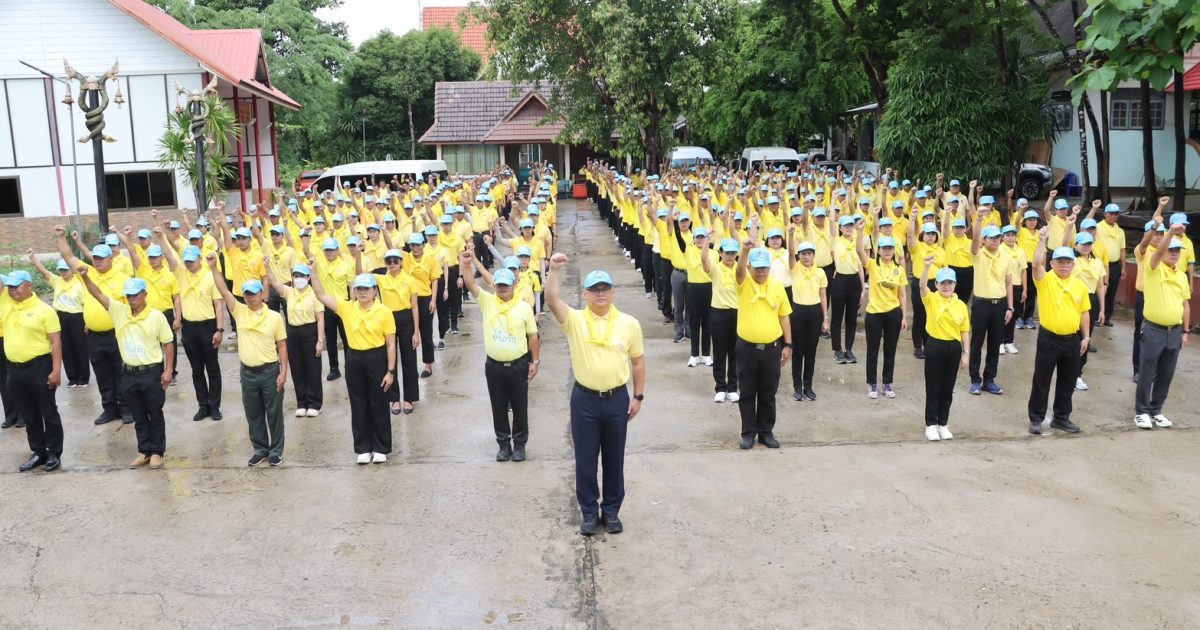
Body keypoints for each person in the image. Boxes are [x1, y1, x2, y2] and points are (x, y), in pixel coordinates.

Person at [545, 254, 645, 536]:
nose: (600, 294)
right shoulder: (575, 320)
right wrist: (553, 270)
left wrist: (638, 397)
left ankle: (611, 511)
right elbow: (552, 300)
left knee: (614, 458)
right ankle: (589, 511)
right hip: (585, 401)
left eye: (605, 289)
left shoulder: (629, 323)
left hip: (616, 399)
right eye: (594, 290)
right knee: (586, 460)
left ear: (613, 292)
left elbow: (638, 362)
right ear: (585, 294)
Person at [79, 274, 174, 468]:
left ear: (144, 294)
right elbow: (97, 294)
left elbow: (168, 343)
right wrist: (85, 277)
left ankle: (157, 452)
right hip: (129, 373)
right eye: (128, 295)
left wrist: (168, 370)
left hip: (151, 372)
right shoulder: (119, 311)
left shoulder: (156, 316)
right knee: (138, 415)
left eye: (135, 295)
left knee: (154, 413)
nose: (131, 299)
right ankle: (144, 451)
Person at [208, 255, 289, 466]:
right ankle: (260, 449)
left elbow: (282, 346)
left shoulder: (274, 317)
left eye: (254, 293)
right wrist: (214, 268)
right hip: (248, 373)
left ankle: (276, 451)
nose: (251, 297)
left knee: (274, 413)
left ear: (262, 294)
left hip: (269, 371)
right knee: (253, 413)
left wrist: (283, 372)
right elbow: (224, 290)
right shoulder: (240, 312)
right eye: (247, 294)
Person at [461, 250, 540, 462]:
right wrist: (466, 265)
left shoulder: (523, 307)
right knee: (498, 406)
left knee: (520, 407)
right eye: (499, 285)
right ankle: (504, 444)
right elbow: (470, 284)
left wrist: (535, 361)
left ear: (514, 285)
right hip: (494, 366)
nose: (503, 288)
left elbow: (533, 336)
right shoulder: (488, 301)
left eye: (506, 285)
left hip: (518, 365)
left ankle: (520, 445)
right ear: (494, 286)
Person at [311, 269, 397, 464]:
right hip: (354, 359)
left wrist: (391, 371)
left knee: (378, 403)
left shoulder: (384, 311)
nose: (362, 292)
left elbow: (391, 344)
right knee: (358, 404)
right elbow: (321, 295)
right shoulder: (347, 307)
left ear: (374, 290)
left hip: (377, 358)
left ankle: (381, 447)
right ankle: (363, 448)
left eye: (366, 289)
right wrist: (314, 273)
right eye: (359, 289)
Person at [55, 226, 132, 424]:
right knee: (102, 373)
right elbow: (68, 256)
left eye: (101, 258)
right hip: (94, 336)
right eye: (95, 258)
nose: (97, 261)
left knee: (120, 372)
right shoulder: (86, 273)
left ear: (111, 258)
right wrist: (61, 237)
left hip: (117, 334)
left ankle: (125, 408)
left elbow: (131, 308)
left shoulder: (123, 279)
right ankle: (109, 408)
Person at [155, 232, 225, 422]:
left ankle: (215, 406)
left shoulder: (210, 277)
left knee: (212, 368)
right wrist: (161, 237)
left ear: (199, 259)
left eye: (192, 261)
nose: (189, 264)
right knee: (196, 369)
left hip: (208, 327)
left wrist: (219, 330)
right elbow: (169, 255)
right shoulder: (181, 273)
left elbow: (219, 305)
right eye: (186, 261)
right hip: (189, 328)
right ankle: (203, 405)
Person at [1027, 231, 1091, 435]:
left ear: (1073, 264)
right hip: (1049, 339)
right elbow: (1036, 265)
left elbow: (1084, 312)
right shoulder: (1045, 280)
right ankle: (1036, 418)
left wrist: (1086, 336)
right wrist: (1041, 240)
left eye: (1068, 262)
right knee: (1042, 380)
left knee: (1068, 381)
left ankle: (1061, 418)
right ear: (1052, 263)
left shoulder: (1079, 285)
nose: (1064, 265)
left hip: (1072, 340)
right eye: (1060, 262)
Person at [3, 270, 64, 472]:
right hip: (14, 368)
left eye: (16, 286)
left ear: (29, 285)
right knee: (28, 414)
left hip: (39, 366)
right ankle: (38, 451)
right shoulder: (7, 305)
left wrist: (56, 370)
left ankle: (53, 452)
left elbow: (56, 343)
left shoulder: (44, 310)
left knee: (48, 411)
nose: (12, 290)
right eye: (10, 286)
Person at [734, 244, 793, 449]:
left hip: (771, 349)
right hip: (747, 349)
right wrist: (744, 251)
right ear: (750, 267)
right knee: (747, 392)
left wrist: (788, 344)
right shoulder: (744, 283)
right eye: (757, 267)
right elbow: (739, 272)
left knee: (768, 392)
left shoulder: (777, 287)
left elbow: (784, 317)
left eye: (764, 267)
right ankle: (748, 433)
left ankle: (766, 432)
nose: (761, 271)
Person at [1134, 224, 1190, 430]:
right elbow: (1157, 252)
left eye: (1177, 251)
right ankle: (1141, 411)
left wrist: (1185, 331)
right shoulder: (1154, 268)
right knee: (1147, 372)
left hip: (1174, 331)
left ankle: (1156, 409)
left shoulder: (1181, 275)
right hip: (1153, 329)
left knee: (1166, 373)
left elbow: (1185, 305)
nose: (1174, 254)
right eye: (1171, 250)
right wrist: (1171, 233)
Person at [265, 261, 324, 417]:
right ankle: (302, 403)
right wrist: (267, 266)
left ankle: (315, 403)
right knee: (297, 369)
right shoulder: (289, 292)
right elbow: (274, 282)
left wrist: (320, 341)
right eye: (296, 276)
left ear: (308, 278)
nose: (299, 279)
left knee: (312, 368)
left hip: (310, 331)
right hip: (293, 332)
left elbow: (320, 319)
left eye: (302, 276)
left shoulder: (315, 294)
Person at [919, 265, 970, 441]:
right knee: (933, 387)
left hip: (953, 348)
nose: (946, 286)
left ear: (955, 284)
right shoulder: (932, 299)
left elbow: (964, 331)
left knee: (948, 388)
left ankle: (943, 423)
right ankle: (931, 424)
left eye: (950, 283)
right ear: (937, 284)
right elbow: (922, 285)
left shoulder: (961, 305)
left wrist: (966, 353)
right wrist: (926, 267)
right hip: (935, 345)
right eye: (942, 283)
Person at [369, 248, 420, 415]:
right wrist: (358, 254)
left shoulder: (410, 280)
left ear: (401, 262)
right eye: (389, 261)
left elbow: (415, 307)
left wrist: (416, 332)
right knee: (389, 360)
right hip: (388, 318)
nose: (392, 264)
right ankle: (394, 398)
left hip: (406, 318)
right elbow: (360, 273)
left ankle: (409, 398)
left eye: (395, 261)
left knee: (409, 359)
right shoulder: (381, 279)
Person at [28, 253, 89, 387]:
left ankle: (83, 378)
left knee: (80, 347)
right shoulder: (57, 281)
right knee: (65, 348)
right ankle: (72, 378)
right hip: (60, 317)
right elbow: (44, 271)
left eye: (65, 269)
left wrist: (87, 322)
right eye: (61, 270)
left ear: (71, 270)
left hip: (77, 317)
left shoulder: (79, 283)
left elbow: (86, 304)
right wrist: (33, 258)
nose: (63, 272)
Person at [967, 224, 1014, 396]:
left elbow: (1008, 282)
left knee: (995, 344)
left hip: (999, 305)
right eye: (991, 237)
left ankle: (989, 380)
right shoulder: (978, 254)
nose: (995, 240)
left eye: (997, 237)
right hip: (981, 305)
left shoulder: (1006, 256)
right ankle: (975, 380)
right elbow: (974, 242)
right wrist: (979, 219)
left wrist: (1010, 307)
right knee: (977, 343)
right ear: (984, 240)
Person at [861, 235, 908, 399]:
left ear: (894, 251)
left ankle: (887, 383)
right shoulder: (872, 265)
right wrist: (860, 232)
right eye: (884, 248)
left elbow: (903, 294)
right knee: (872, 350)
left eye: (890, 248)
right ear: (878, 251)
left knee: (890, 350)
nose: (887, 251)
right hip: (874, 313)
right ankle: (872, 383)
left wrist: (904, 316)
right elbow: (859, 251)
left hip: (893, 313)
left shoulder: (899, 269)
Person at [786, 236, 828, 401]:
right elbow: (790, 254)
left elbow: (823, 296)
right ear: (799, 255)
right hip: (798, 311)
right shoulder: (795, 268)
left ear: (813, 255)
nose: (806, 256)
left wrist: (825, 318)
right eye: (803, 253)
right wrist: (790, 236)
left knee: (811, 352)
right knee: (798, 352)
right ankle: (797, 387)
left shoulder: (820, 272)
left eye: (809, 253)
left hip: (815, 312)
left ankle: (808, 387)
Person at [700, 237, 740, 403]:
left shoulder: (740, 268)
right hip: (718, 313)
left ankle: (733, 387)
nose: (730, 256)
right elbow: (704, 259)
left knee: (735, 352)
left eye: (733, 253)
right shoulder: (715, 267)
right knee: (719, 351)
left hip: (737, 313)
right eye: (727, 253)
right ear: (721, 253)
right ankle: (720, 387)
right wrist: (707, 241)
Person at [829, 215, 864, 364]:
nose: (849, 227)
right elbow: (831, 221)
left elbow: (860, 265)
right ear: (840, 228)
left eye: (851, 225)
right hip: (840, 280)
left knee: (851, 318)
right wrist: (833, 203)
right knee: (837, 318)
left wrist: (863, 288)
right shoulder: (836, 240)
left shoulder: (856, 241)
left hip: (854, 281)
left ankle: (849, 349)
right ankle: (837, 350)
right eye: (845, 225)